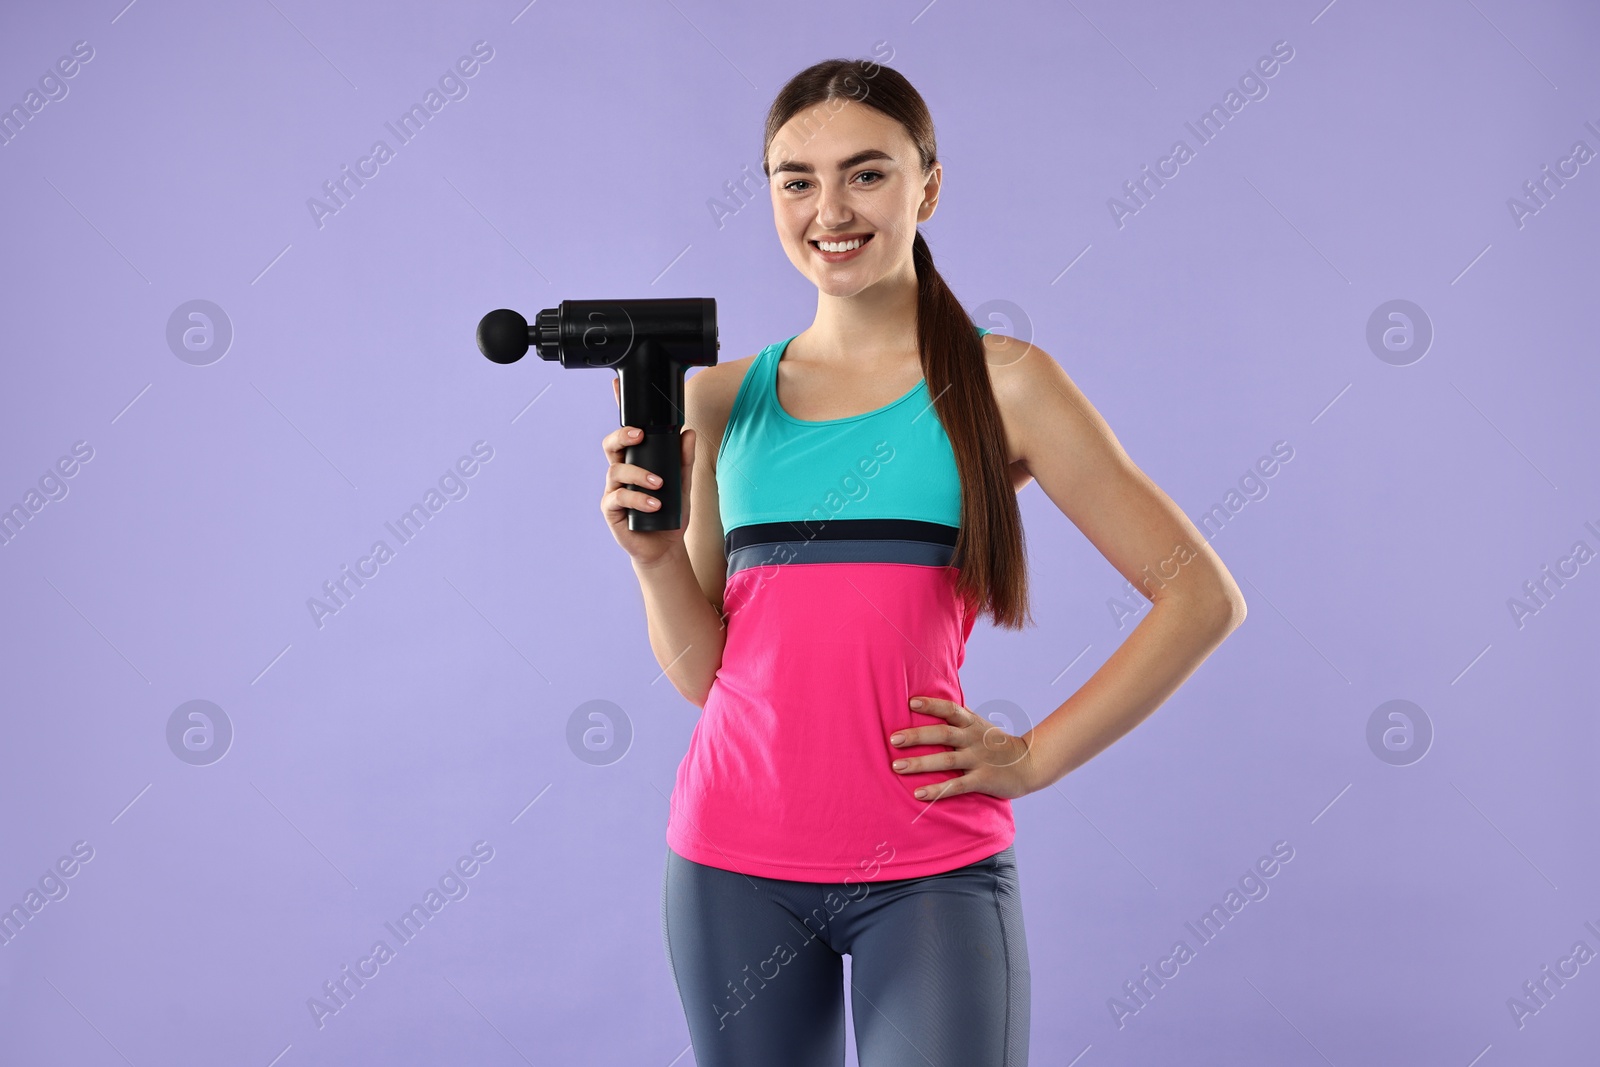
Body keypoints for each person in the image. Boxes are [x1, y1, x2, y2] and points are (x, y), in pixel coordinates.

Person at [600, 57, 1246, 1067]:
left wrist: (1033, 756)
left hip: (929, 868)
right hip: (729, 860)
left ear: (926, 187)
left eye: (867, 173)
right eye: (795, 180)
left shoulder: (1003, 385)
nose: (829, 210)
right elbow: (702, 675)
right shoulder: (720, 399)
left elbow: (1198, 595)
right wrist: (650, 563)